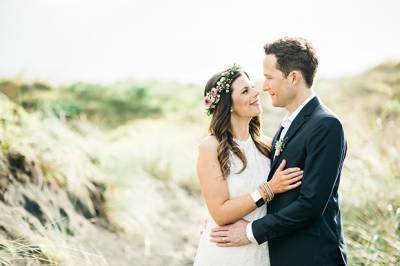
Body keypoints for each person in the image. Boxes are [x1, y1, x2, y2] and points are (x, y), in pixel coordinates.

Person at [210, 37, 348, 266]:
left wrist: (250, 231)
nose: (263, 87)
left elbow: (310, 205)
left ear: (293, 77)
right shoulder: (287, 125)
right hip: (280, 254)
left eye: (269, 78)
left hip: (312, 256)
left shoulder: (326, 125)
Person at [193, 64, 303, 266]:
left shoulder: (268, 145)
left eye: (252, 86)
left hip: (260, 248)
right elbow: (220, 213)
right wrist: (268, 189)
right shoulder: (210, 147)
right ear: (229, 105)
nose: (256, 92)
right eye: (245, 90)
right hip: (225, 253)